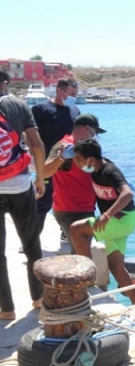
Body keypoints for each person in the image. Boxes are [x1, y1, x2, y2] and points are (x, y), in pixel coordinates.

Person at [68, 139, 135, 305]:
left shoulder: (109, 170)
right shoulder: (95, 169)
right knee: (115, 265)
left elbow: (128, 193)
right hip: (122, 221)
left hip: (123, 218)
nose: (77, 162)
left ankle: (85, 278)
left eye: (79, 159)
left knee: (76, 230)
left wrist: (107, 214)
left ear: (91, 160)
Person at [0, 68, 46, 320]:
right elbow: (36, 145)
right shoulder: (18, 105)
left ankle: (6, 309)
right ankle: (38, 299)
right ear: (5, 83)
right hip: (19, 185)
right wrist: (40, 179)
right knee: (31, 245)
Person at [43, 114, 104, 253]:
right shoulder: (64, 146)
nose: (96, 135)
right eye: (96, 131)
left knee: (81, 253)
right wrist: (61, 157)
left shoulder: (87, 147)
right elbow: (45, 172)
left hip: (85, 208)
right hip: (70, 210)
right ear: (87, 128)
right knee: (81, 255)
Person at [31, 77, 81, 235]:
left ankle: (66, 234)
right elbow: (32, 137)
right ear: (60, 91)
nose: (74, 97)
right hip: (48, 164)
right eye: (72, 93)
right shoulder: (41, 109)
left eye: (76, 94)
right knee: (42, 201)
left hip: (70, 165)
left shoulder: (75, 111)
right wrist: (34, 160)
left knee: (70, 201)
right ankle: (31, 238)